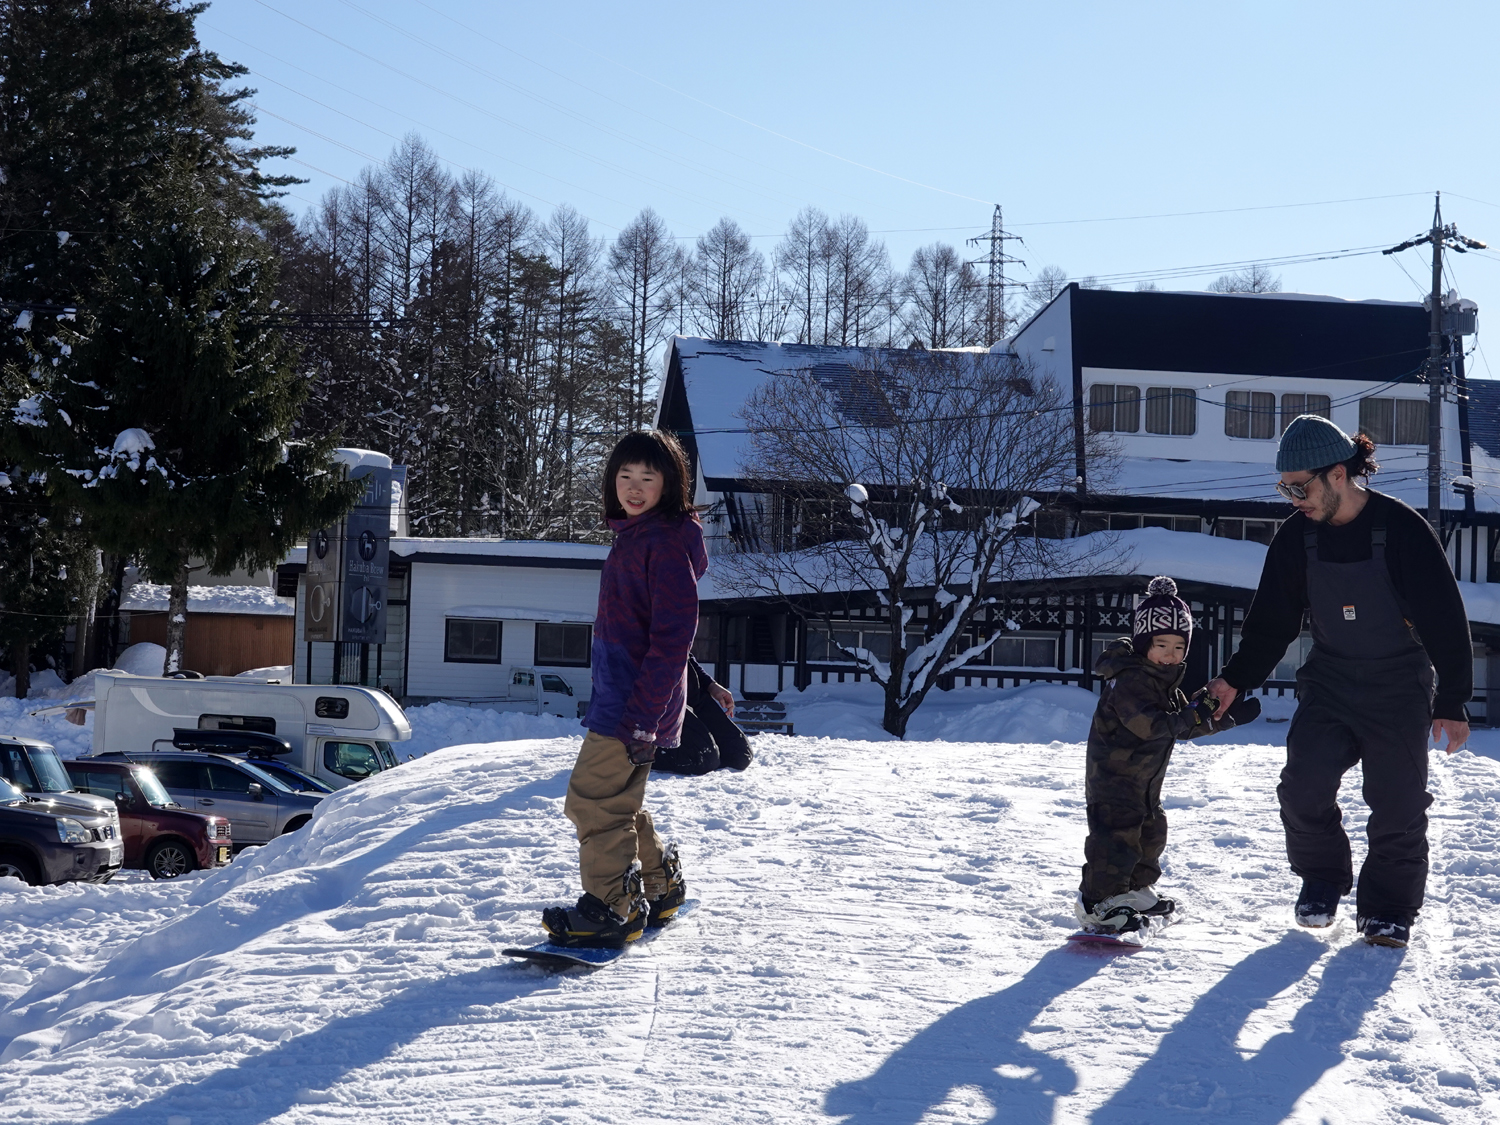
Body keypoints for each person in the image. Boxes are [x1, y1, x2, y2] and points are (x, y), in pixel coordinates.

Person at [1203, 414, 1471, 949]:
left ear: (1339, 475)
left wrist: (1454, 700)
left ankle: (1388, 910)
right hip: (1329, 681)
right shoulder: (1296, 538)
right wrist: (1236, 679)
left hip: (1398, 684)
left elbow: (1444, 617)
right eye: (1285, 488)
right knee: (1303, 789)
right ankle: (1323, 879)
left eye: (1300, 487)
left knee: (1397, 803)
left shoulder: (1400, 530)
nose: (1293, 498)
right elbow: (1271, 621)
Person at [541, 430, 708, 948]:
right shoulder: (641, 536)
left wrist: (642, 715)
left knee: (592, 802)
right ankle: (657, 887)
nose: (634, 488)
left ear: (669, 484)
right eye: (625, 476)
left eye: (648, 478)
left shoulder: (658, 541)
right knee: (620, 803)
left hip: (632, 703)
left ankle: (611, 908)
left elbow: (674, 633)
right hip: (631, 697)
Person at [1077, 576, 1259, 934]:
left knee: (1151, 833)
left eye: (1179, 646)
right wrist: (1193, 712)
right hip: (1114, 782)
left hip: (1143, 783)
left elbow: (1183, 726)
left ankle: (1133, 889)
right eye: (1161, 644)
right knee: (1115, 840)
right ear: (1145, 643)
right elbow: (1151, 725)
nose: (1170, 654)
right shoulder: (1129, 680)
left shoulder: (1162, 681)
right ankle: (1097, 904)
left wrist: (1223, 720)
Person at [651, 656, 755, 776]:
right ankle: (641, 752)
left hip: (690, 693)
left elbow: (686, 655)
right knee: (702, 760)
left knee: (739, 755)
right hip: (660, 699)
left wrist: (711, 684)